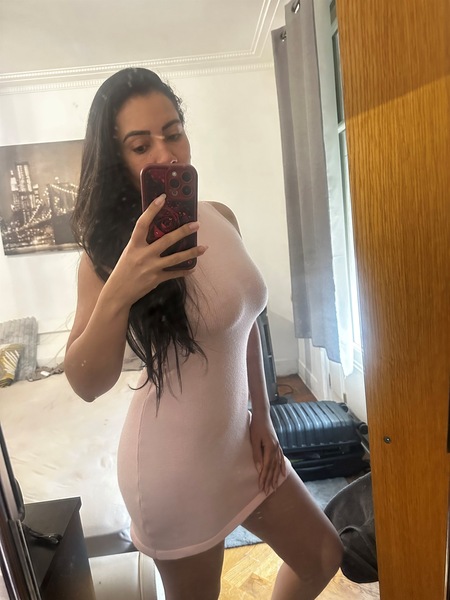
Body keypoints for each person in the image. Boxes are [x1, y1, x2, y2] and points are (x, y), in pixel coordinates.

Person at [65, 67, 343, 600]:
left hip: (243, 444)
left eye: (173, 132)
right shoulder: (105, 257)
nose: (166, 153)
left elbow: (245, 323)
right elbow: (86, 383)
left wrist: (262, 415)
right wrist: (120, 287)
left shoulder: (221, 216)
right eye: (141, 145)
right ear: (117, 160)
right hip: (174, 469)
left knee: (323, 555)